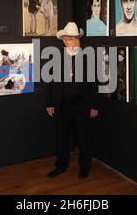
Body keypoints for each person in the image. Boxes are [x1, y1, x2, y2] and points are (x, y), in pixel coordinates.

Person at [45, 22, 99, 179]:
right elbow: (49, 82)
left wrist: (94, 106)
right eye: (70, 39)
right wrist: (49, 103)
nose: (74, 43)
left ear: (79, 41)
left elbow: (94, 83)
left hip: (82, 105)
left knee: (84, 138)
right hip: (62, 105)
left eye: (76, 39)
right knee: (61, 138)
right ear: (64, 41)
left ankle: (84, 167)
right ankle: (61, 166)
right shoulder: (56, 57)